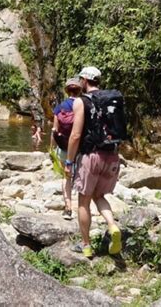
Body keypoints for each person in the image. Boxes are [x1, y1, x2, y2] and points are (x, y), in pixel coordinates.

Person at [64, 66, 121, 258]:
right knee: (100, 195)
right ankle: (112, 226)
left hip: (91, 156)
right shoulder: (112, 100)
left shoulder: (82, 102)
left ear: (84, 80)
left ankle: (86, 245)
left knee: (84, 200)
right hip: (112, 155)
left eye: (80, 79)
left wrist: (69, 161)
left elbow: (76, 135)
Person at [50, 77, 82, 220]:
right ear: (80, 90)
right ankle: (83, 208)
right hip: (82, 148)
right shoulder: (84, 105)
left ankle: (68, 208)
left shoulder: (60, 107)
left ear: (66, 90)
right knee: (81, 177)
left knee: (66, 177)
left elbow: (55, 130)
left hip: (64, 148)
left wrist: (52, 148)